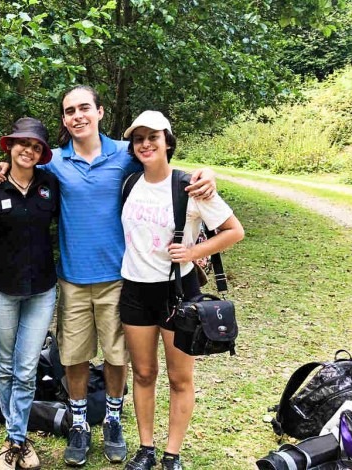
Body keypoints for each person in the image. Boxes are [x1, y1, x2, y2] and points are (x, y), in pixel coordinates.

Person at [0, 85, 217, 467]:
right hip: (72, 279)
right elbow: (20, 169)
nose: (77, 116)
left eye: (83, 108)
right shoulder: (53, 162)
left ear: (99, 112)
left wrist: (206, 173)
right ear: (64, 120)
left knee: (116, 356)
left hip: (119, 277)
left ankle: (112, 419)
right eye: (69, 111)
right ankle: (79, 423)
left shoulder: (124, 155)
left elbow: (161, 165)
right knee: (74, 357)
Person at [119, 111, 244, 470]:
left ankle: (171, 454)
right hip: (135, 290)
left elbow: (234, 231)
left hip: (178, 291)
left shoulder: (190, 185)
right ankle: (146, 449)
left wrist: (193, 252)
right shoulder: (128, 184)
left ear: (168, 142)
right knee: (143, 374)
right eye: (139, 138)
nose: (146, 143)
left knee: (179, 376)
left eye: (153, 137)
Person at [0, 117, 60, 470]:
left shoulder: (51, 184)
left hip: (42, 289)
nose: (28, 150)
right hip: (2, 289)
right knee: (7, 366)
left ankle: (14, 440)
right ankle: (19, 439)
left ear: (42, 153)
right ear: (9, 146)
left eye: (36, 146)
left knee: (26, 369)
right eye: (22, 143)